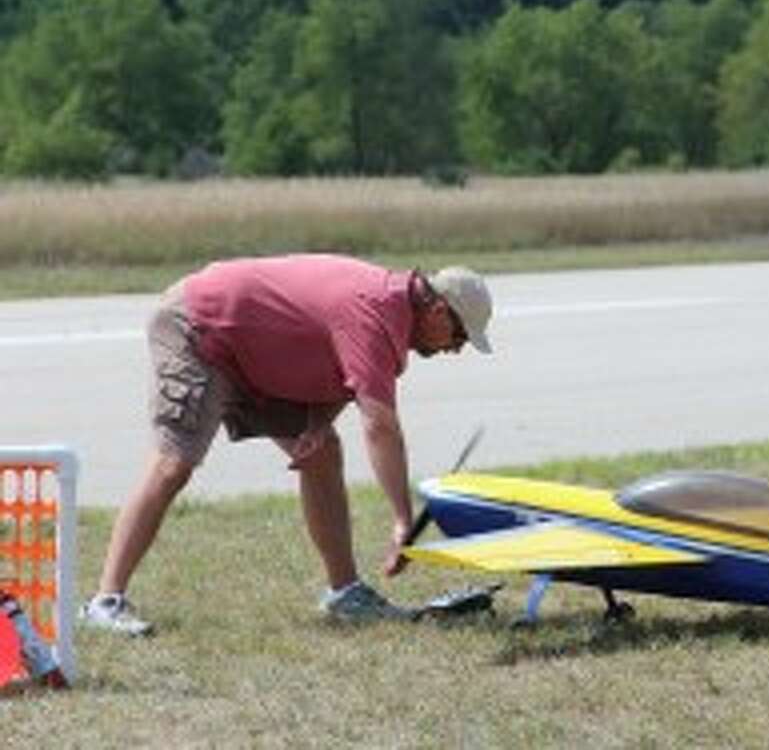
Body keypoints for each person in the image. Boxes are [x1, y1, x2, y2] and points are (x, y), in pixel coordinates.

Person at [78, 255, 494, 636]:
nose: (455, 350)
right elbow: (380, 426)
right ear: (439, 311)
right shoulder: (376, 314)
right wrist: (403, 518)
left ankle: (345, 594)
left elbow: (335, 365)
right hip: (200, 329)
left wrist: (314, 425)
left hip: (255, 352)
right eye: (458, 336)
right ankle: (104, 602)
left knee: (323, 452)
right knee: (173, 465)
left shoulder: (393, 316)